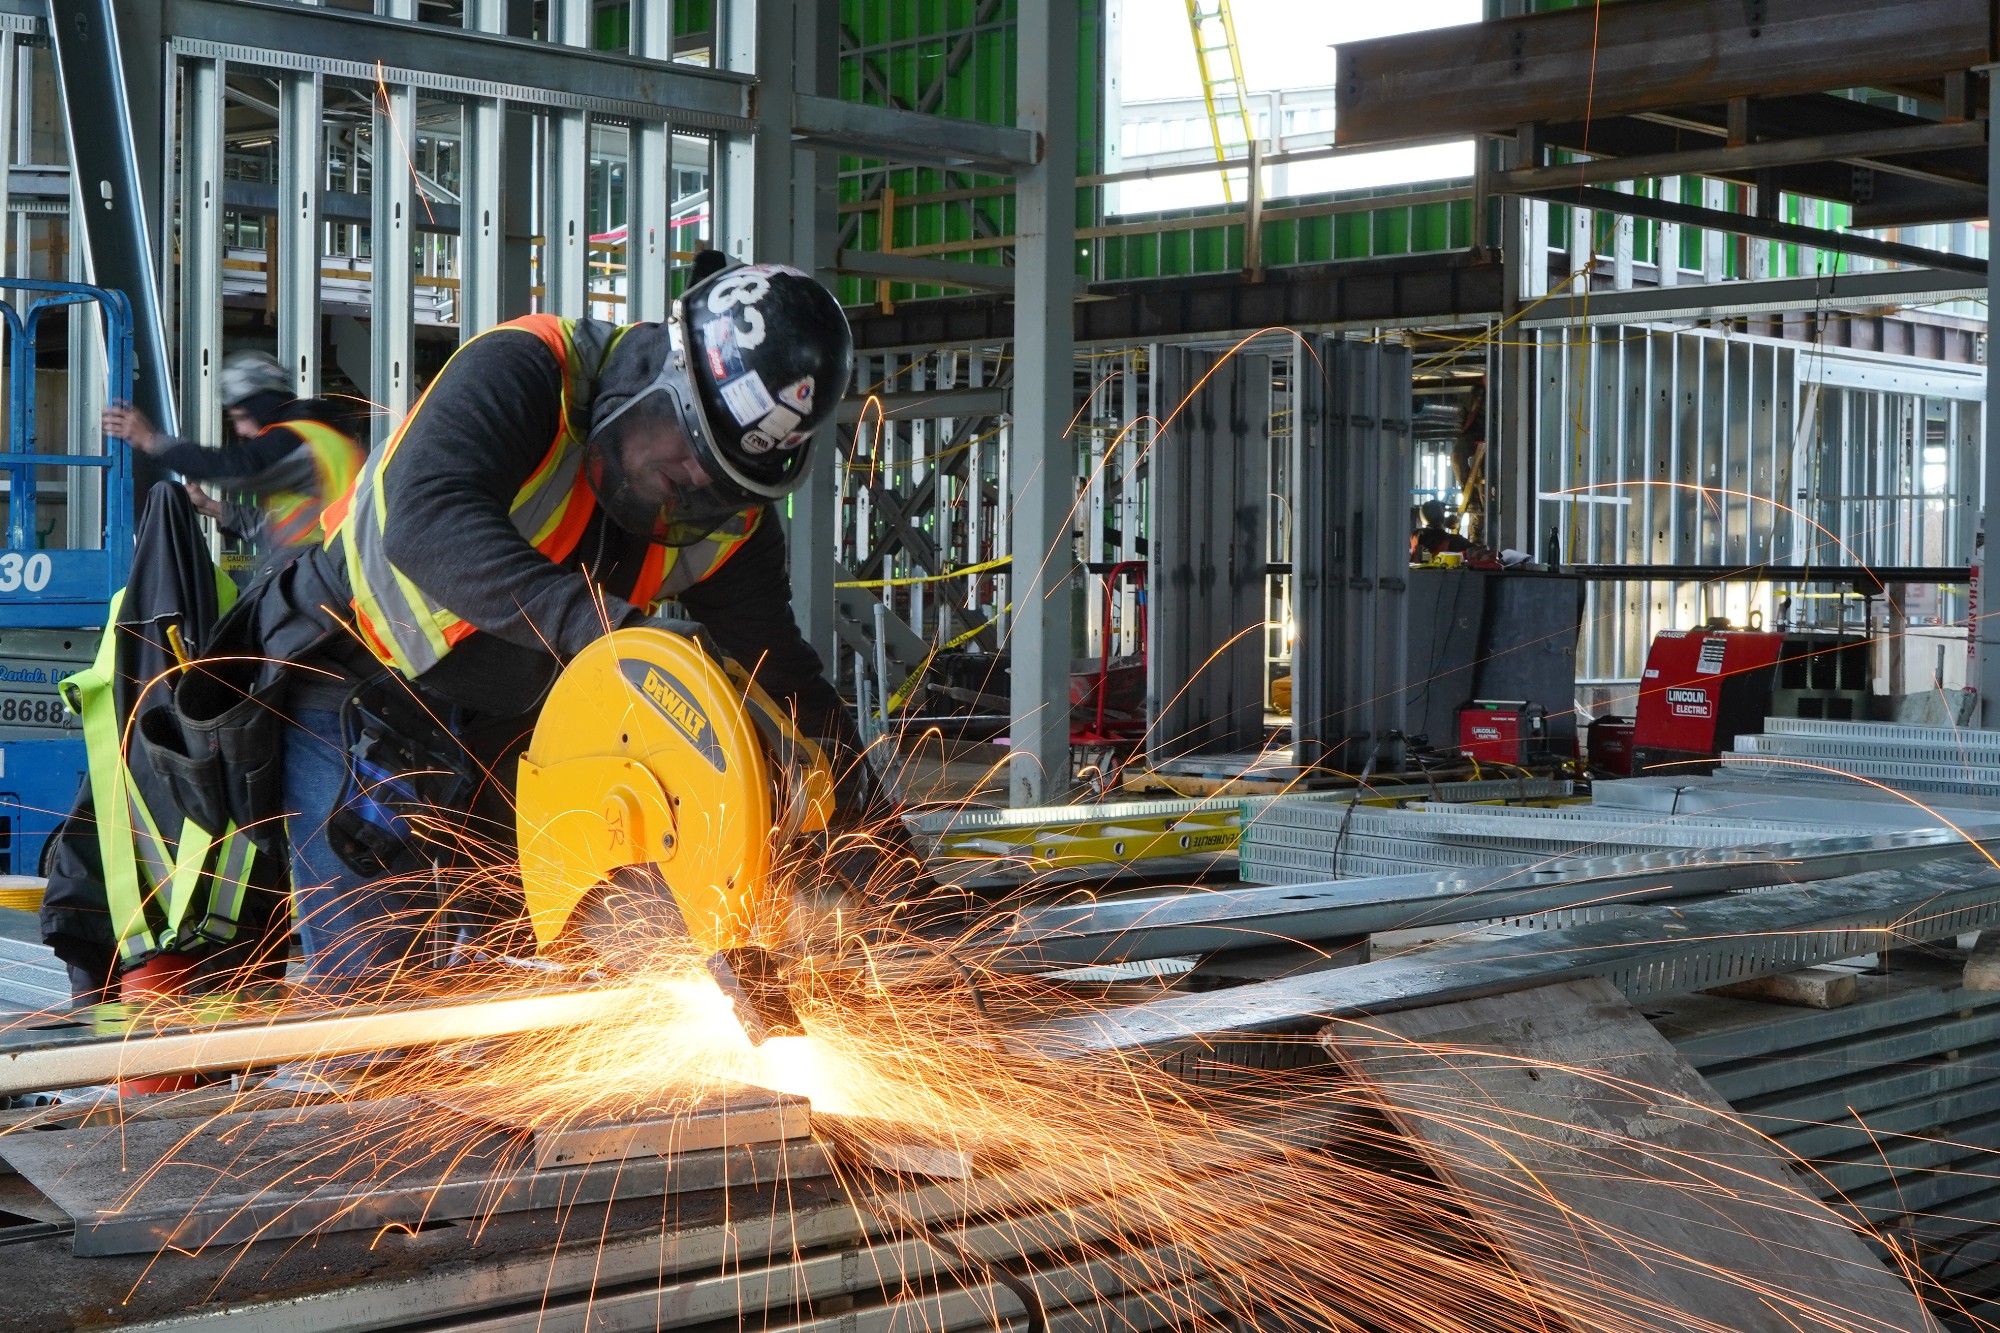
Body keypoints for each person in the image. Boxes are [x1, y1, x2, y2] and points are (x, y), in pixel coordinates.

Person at [229, 256, 909, 992]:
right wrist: (613, 633)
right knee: (385, 986)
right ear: (659, 376)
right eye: (685, 460)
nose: (689, 492)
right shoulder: (527, 370)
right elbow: (424, 522)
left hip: (507, 724)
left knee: (522, 972)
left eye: (720, 485)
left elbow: (785, 683)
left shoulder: (731, 520)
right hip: (356, 677)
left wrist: (891, 862)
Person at [102, 350, 364, 571]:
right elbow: (277, 524)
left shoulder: (300, 438)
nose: (240, 431)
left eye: (240, 416)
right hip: (329, 571)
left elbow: (237, 469)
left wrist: (151, 440)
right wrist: (212, 507)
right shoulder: (324, 440)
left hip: (326, 577)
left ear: (261, 407)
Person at [1410, 499, 1473, 563]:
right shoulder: (1455, 540)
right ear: (1442, 518)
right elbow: (1475, 551)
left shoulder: (1416, 536)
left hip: (1418, 572)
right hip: (1443, 572)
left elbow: (1433, 532)